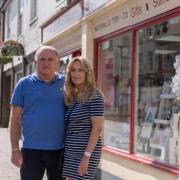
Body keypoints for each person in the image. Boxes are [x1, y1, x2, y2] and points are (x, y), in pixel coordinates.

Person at [9, 45, 65, 180]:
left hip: (60, 150)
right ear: (35, 62)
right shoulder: (23, 84)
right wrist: (15, 149)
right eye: (42, 59)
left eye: (50, 59)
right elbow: (14, 119)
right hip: (31, 150)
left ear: (57, 62)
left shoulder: (67, 82)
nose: (46, 63)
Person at [62, 56, 104, 180]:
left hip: (86, 152)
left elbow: (97, 129)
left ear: (87, 72)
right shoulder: (73, 96)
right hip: (71, 151)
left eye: (80, 70)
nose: (76, 74)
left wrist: (86, 156)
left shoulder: (95, 95)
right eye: (73, 70)